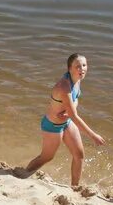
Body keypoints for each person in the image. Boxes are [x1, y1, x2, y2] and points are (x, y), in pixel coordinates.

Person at [17, 53, 105, 188]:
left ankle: (74, 187)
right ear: (69, 69)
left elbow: (75, 101)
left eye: (84, 65)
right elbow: (75, 116)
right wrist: (93, 136)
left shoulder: (77, 80)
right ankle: (23, 174)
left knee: (79, 155)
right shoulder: (64, 86)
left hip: (67, 123)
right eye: (77, 66)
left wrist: (68, 112)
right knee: (46, 157)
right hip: (53, 125)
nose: (81, 69)